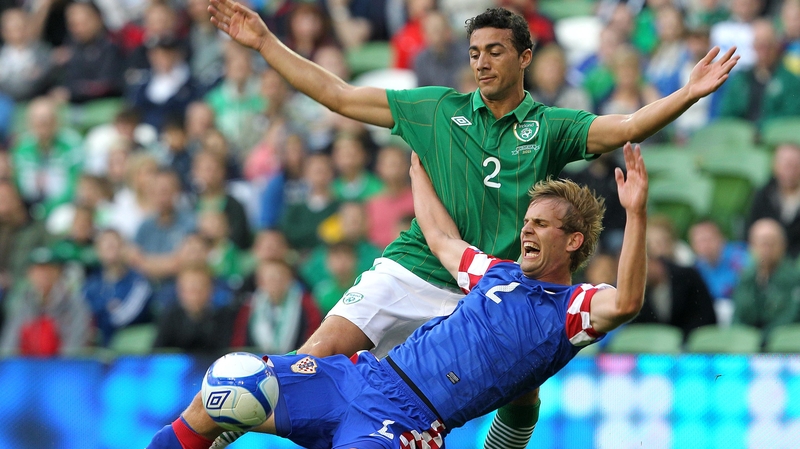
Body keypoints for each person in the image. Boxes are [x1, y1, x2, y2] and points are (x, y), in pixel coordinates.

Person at [205, 3, 738, 447]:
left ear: (525, 57)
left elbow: (628, 126)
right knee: (308, 362)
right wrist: (264, 42)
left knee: (525, 394)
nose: (481, 63)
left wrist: (687, 94)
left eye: (495, 51)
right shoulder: (436, 108)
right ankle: (220, 427)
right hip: (417, 264)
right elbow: (339, 95)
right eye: (475, 53)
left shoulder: (549, 127)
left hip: (492, 291)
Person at [145, 141, 650, 449]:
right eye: (527, 222)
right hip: (358, 378)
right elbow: (440, 238)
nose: (527, 231)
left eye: (541, 224)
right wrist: (418, 162)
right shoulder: (496, 273)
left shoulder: (572, 310)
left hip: (409, 423)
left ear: (574, 241)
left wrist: (636, 215)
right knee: (229, 382)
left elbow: (627, 301)